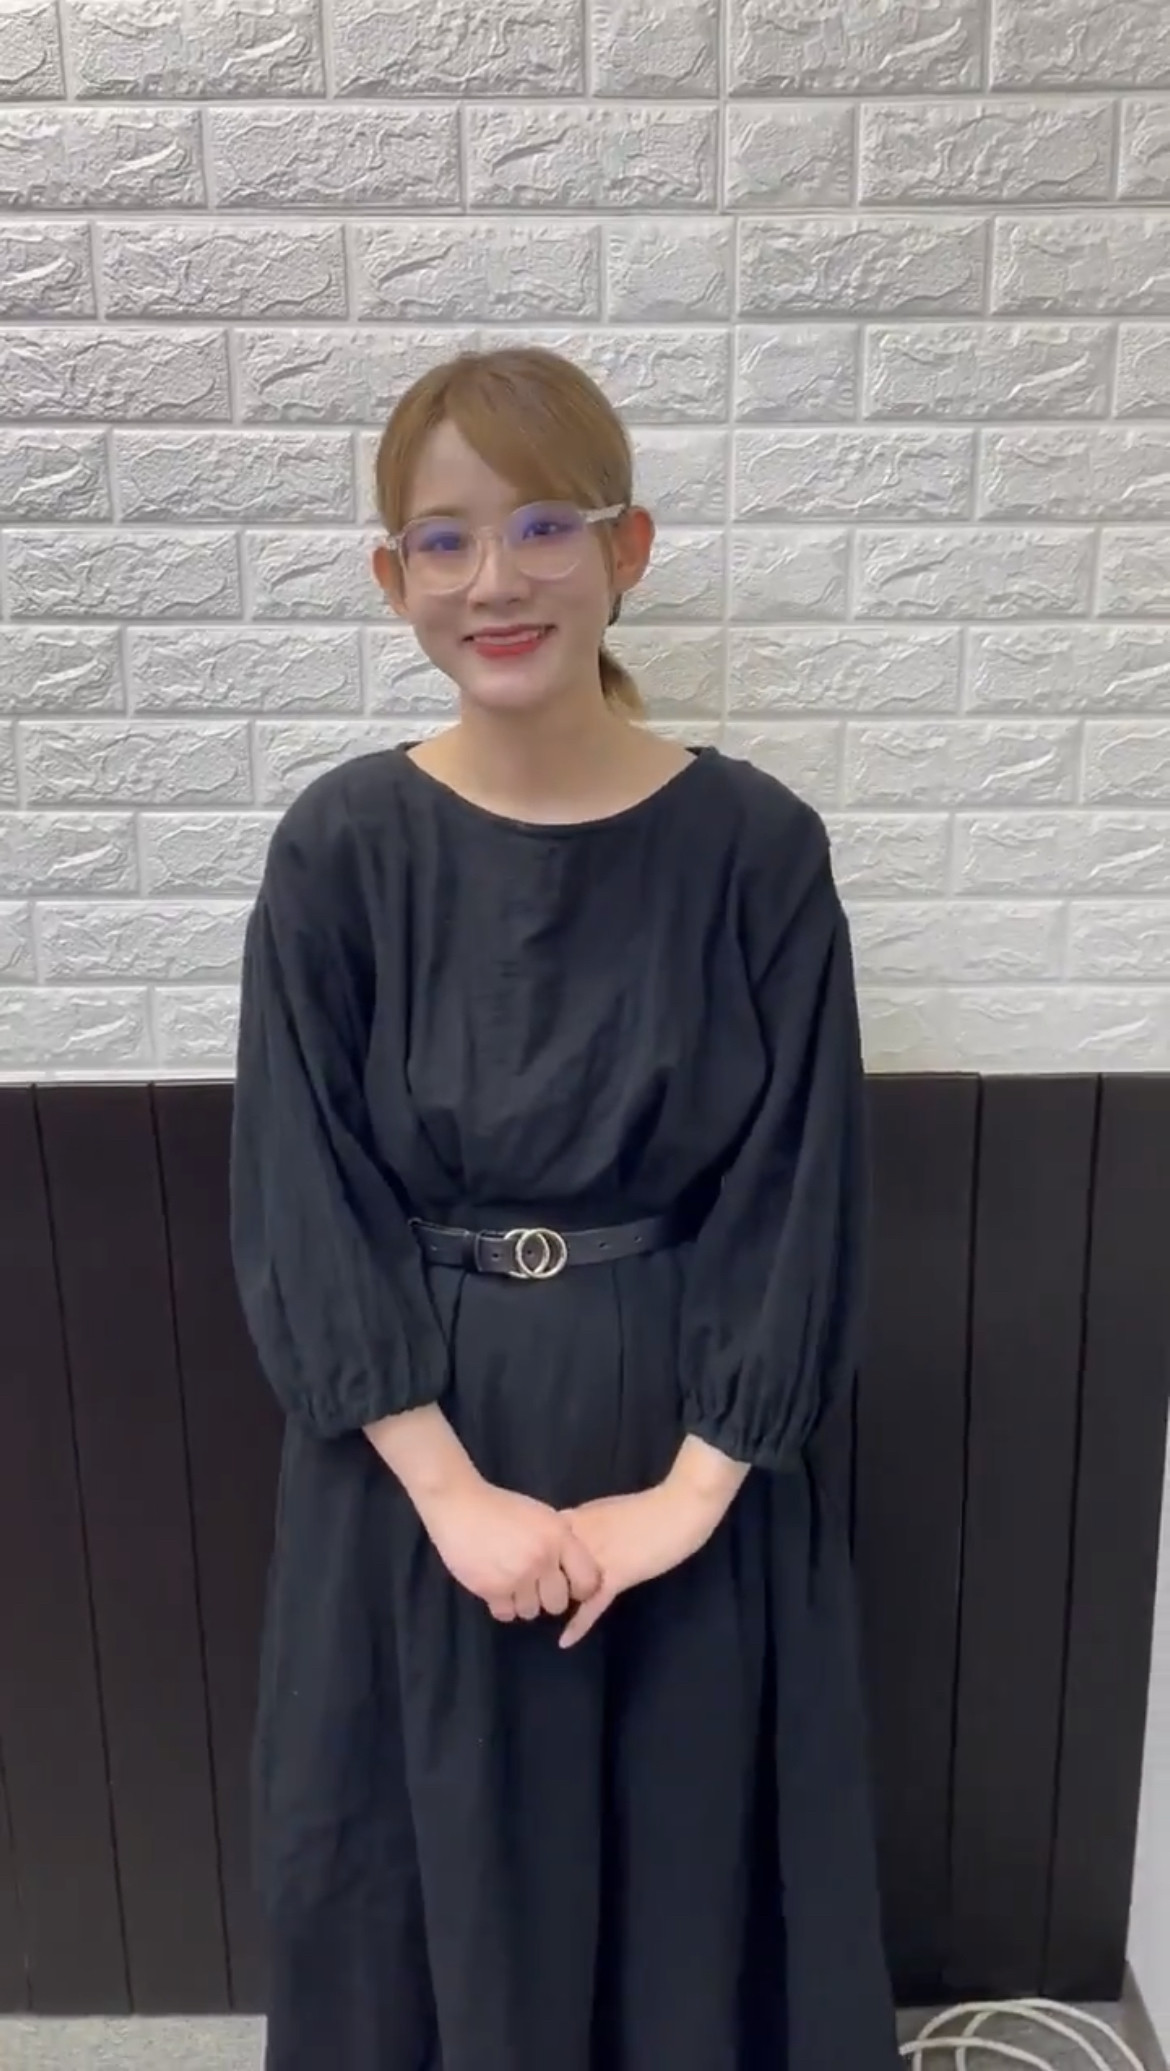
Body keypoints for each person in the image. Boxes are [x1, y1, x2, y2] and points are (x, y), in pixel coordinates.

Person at [229, 344, 901, 2071]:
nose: (494, 579)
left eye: (542, 525)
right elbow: (301, 1188)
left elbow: (799, 1185)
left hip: (685, 1439)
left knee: (688, 1888)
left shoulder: (755, 848)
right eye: (442, 539)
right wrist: (452, 1497)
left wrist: (686, 1497)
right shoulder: (341, 849)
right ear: (391, 578)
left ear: (628, 548)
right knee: (417, 1890)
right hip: (415, 1457)